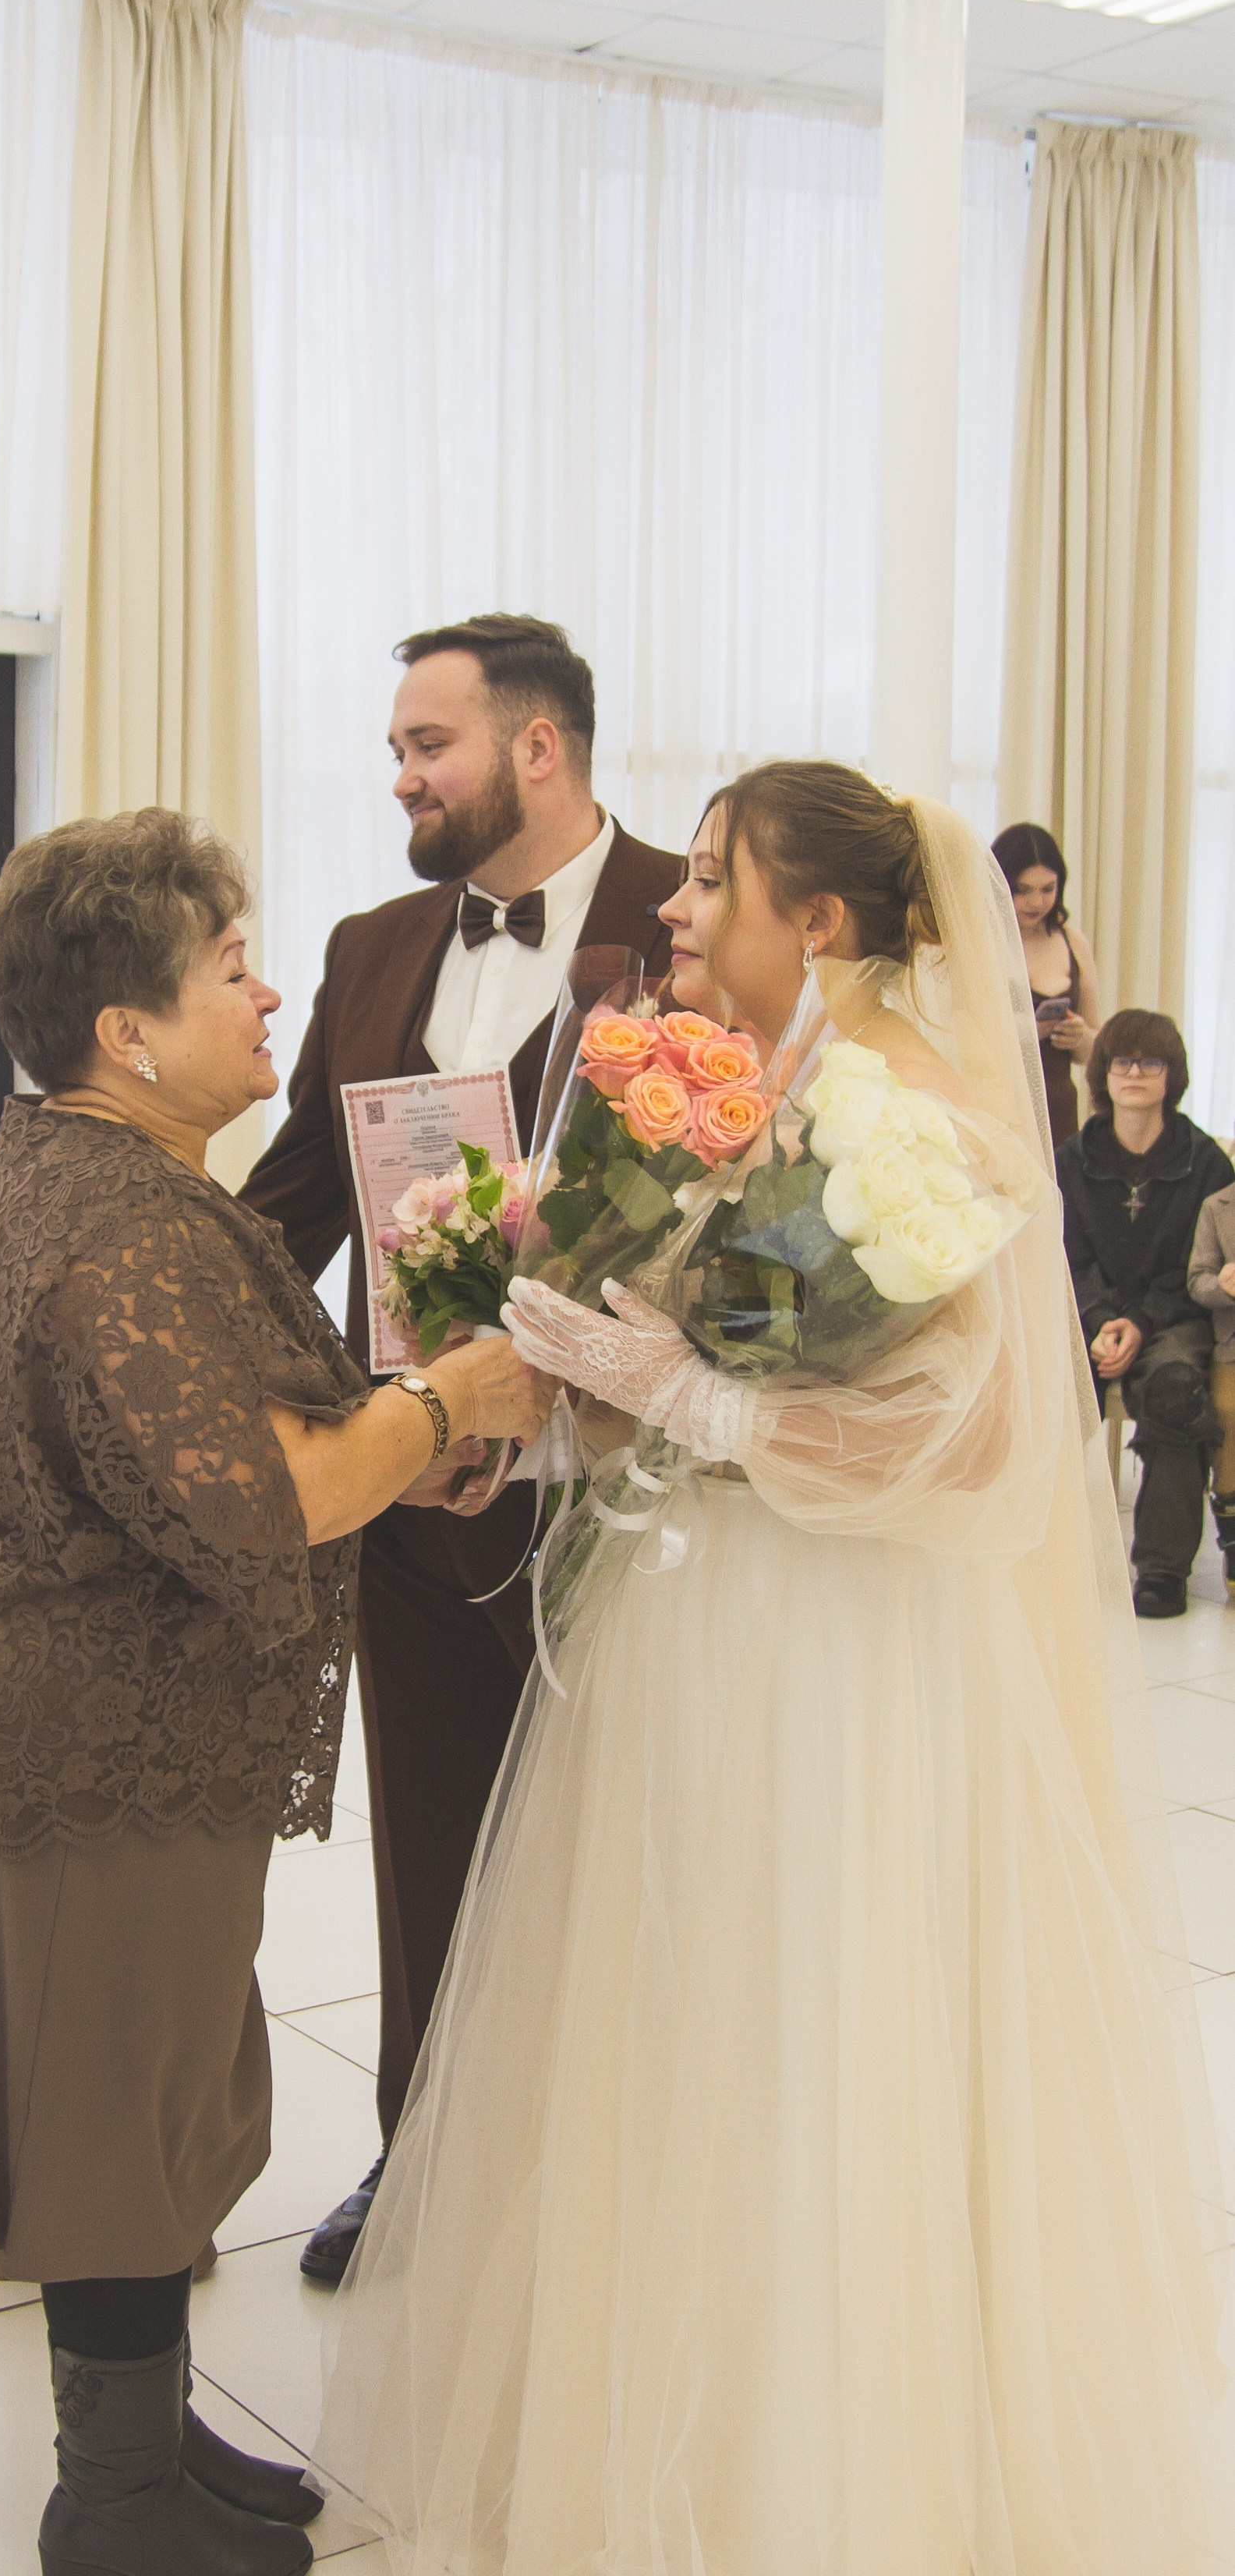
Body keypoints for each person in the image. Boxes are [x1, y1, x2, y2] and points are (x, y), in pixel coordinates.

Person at [312, 766, 1228, 2574]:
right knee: (681, 2017)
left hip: (842, 1655)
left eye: (713, 881)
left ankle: (827, 2476)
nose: (677, 909)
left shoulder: (930, 1124)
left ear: (817, 921)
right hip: (693, 1623)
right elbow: (695, 1362)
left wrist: (674, 1389)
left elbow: (965, 1451)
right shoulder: (750, 1098)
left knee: (819, 2020)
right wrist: (543, 1417)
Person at [0, 809, 550, 2576]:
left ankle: (146, 2432)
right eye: (234, 968)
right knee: (110, 2110)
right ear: (127, 1034)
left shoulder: (101, 1173)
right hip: (64, 1736)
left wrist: (400, 1430)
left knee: (151, 2089)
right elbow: (265, 1488)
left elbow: (254, 1430)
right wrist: (459, 1399)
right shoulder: (119, 1228)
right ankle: (114, 2499)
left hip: (58, 1714)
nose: (273, 996)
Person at [240, 614, 682, 2281]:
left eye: (425, 745)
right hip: (413, 1495)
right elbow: (284, 1210)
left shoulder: (685, 927)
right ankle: (416, 2158)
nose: (401, 776)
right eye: (394, 750)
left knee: (619, 1854)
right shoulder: (366, 949)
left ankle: (607, 2182)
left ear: (537, 747)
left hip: (623, 1508)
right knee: (425, 1844)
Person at [1057, 1009, 1231, 1619]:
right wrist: (1103, 1318)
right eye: (1121, 1060)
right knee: (1038, 1383)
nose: (1133, 1072)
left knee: (1177, 1387)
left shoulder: (1207, 1163)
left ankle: (1160, 1569)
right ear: (1101, 1073)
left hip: (1172, 1316)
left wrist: (1140, 1322)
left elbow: (1200, 1267)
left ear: (1171, 1075)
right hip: (1083, 1314)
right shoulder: (1072, 1159)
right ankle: (1044, 1556)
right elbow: (1065, 1256)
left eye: (1149, 1061)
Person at [992, 819, 1100, 1148]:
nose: (1036, 903)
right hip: (999, 1104)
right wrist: (1028, 1032)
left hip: (1058, 1103)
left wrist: (1080, 1037)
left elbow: (1096, 1047)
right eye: (1022, 890)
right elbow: (960, 1037)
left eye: (1047, 889)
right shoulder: (983, 943)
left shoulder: (1072, 941)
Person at [1188, 1170, 1235, 1598]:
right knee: (1228, 1411)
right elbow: (1196, 1279)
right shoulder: (1217, 1206)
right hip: (1233, 1347)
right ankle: (1233, 1531)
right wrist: (1222, 1286)